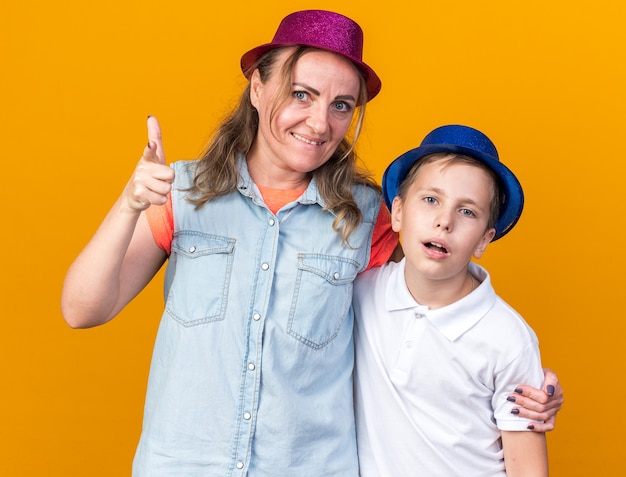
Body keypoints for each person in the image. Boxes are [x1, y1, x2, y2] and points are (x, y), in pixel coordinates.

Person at [61, 10, 561, 476]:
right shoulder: (181, 193)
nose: (320, 123)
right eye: (301, 94)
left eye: (341, 105)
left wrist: (523, 385)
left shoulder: (371, 218)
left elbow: (444, 300)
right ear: (257, 87)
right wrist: (129, 204)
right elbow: (82, 309)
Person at [353, 124, 551, 476]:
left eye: (468, 211)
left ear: (483, 241)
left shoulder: (508, 339)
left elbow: (528, 468)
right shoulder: (360, 294)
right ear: (397, 212)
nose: (444, 221)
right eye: (431, 200)